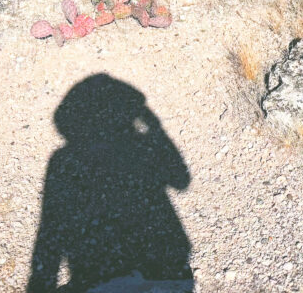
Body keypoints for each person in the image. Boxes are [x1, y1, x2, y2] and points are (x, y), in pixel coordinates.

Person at [27, 74, 192, 291]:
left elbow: (49, 230)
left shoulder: (63, 161)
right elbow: (180, 179)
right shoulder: (141, 147)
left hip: (98, 275)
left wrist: (40, 283)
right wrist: (153, 125)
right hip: (168, 269)